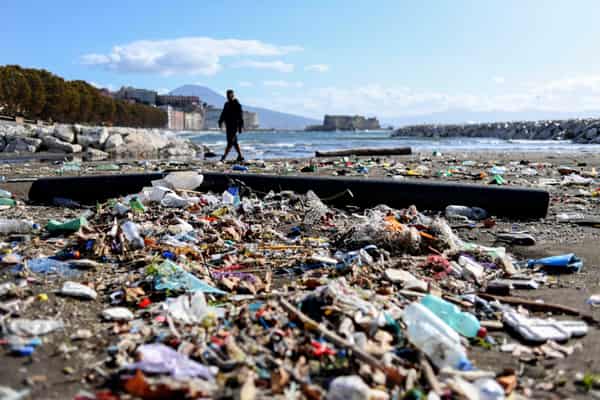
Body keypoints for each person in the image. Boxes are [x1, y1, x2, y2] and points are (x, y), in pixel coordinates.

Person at [218, 89, 244, 162]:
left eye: (229, 95)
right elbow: (223, 113)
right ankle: (240, 156)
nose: (228, 96)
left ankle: (224, 157)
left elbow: (240, 115)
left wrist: (240, 126)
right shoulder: (226, 104)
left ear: (232, 95)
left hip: (234, 125)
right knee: (234, 142)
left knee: (230, 142)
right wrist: (220, 121)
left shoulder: (236, 104)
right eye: (227, 95)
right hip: (228, 125)